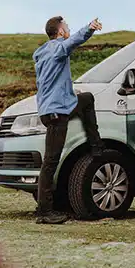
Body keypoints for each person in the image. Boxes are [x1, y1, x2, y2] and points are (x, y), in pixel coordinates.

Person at [32, 15, 106, 224]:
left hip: (53, 108)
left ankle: (96, 145)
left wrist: (71, 94)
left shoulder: (43, 54)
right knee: (50, 162)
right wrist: (90, 28)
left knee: (86, 99)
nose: (69, 30)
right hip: (57, 113)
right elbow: (74, 41)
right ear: (60, 32)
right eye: (66, 28)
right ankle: (45, 212)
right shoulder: (57, 49)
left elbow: (55, 82)